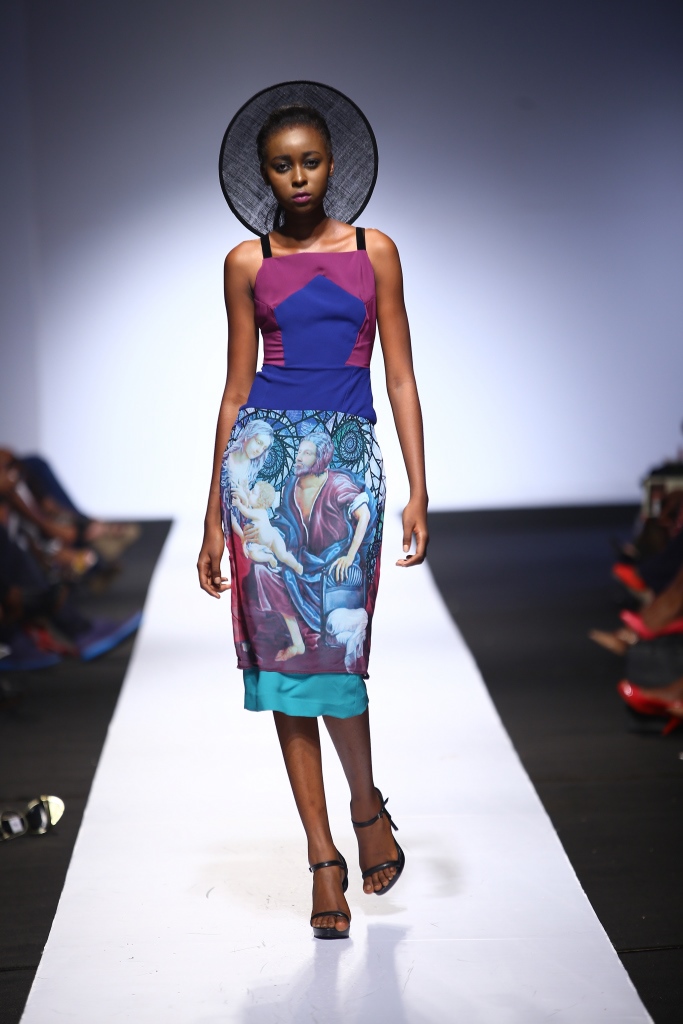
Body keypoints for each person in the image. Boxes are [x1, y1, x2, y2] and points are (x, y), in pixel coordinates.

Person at [197, 83, 428, 940]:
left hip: (347, 461)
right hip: (262, 465)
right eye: (281, 165)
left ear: (334, 166)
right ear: (261, 174)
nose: (297, 177)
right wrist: (212, 517)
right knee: (286, 664)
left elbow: (398, 375)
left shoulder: (376, 251)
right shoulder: (245, 262)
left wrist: (418, 489)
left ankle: (366, 805)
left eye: (310, 162)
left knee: (339, 651)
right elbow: (234, 391)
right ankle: (322, 856)